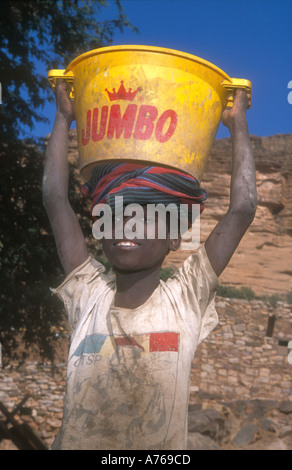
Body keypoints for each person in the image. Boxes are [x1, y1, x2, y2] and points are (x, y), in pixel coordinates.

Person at [42, 80, 257, 450]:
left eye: (146, 216)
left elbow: (243, 208)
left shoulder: (184, 301)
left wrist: (238, 125)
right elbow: (54, 197)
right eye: (115, 214)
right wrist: (64, 118)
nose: (126, 225)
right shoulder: (88, 294)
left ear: (175, 238)